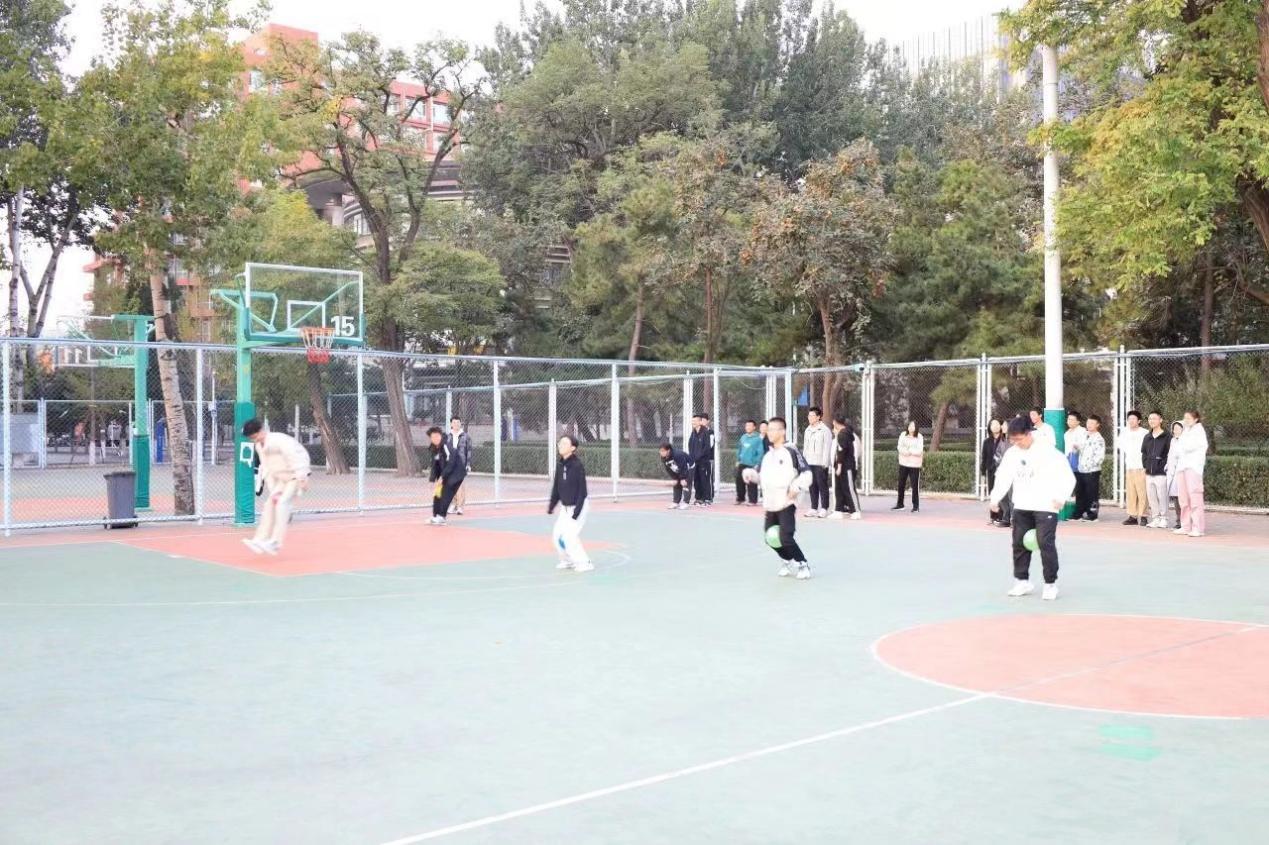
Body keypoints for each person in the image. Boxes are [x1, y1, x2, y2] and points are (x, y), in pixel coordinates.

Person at [989, 415, 1076, 601]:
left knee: (1045, 543)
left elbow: (1067, 476)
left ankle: (1050, 584)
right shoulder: (1012, 454)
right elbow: (1003, 476)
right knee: (1019, 543)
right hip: (1022, 505)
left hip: (1046, 505)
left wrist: (1061, 497)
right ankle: (1022, 581)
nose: (1016, 443)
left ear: (1028, 434)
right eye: (1012, 440)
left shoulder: (1048, 451)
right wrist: (995, 498)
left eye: (1018, 439)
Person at [240, 418, 311, 555]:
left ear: (261, 430)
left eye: (254, 436)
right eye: (251, 438)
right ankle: (259, 540)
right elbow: (267, 468)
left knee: (282, 504)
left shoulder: (279, 440)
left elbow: (297, 456)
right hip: (282, 480)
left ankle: (275, 543)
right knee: (269, 505)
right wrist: (273, 490)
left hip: (295, 477)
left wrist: (302, 477)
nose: (254, 440)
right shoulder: (259, 446)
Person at [756, 417, 814, 580]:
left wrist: (796, 487)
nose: (769, 432)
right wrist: (752, 476)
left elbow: (807, 473)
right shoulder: (768, 455)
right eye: (768, 429)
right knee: (770, 538)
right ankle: (787, 559)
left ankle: (802, 564)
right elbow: (762, 477)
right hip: (771, 504)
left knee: (785, 537)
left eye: (773, 429)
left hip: (787, 502)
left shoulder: (791, 450)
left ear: (782, 431)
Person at [549, 435, 592, 572]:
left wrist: (576, 512)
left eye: (564, 443)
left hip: (579, 506)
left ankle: (585, 563)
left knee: (569, 536)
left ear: (572, 448)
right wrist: (552, 505)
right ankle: (568, 561)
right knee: (557, 535)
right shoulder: (560, 465)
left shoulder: (577, 466)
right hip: (565, 508)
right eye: (560, 443)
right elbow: (556, 488)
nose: (560, 445)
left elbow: (582, 491)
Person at [1174, 410, 1208, 538]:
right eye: (1185, 418)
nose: (1186, 420)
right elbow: (1178, 449)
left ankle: (1198, 528)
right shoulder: (1186, 431)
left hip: (1193, 467)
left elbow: (1188, 447)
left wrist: (1182, 443)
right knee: (1183, 498)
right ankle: (1185, 526)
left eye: (1189, 418)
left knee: (1195, 497)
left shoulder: (1199, 431)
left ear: (1196, 419)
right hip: (1182, 467)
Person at [427, 426, 467, 526]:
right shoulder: (433, 449)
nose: (435, 439)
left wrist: (442, 477)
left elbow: (451, 463)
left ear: (441, 436)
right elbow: (434, 465)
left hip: (456, 473)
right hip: (446, 473)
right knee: (437, 494)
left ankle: (442, 517)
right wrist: (432, 480)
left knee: (446, 494)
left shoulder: (446, 446)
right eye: (432, 437)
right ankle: (435, 516)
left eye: (437, 436)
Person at [830, 416, 863, 520]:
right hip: (840, 466)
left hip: (846, 467)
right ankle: (838, 511)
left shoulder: (843, 434)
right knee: (839, 488)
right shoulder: (843, 434)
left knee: (849, 488)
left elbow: (841, 451)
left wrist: (839, 466)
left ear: (836, 422)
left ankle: (855, 511)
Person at [1119, 410, 1149, 526]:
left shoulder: (1145, 433)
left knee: (1142, 492)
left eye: (1133, 419)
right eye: (1129, 419)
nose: (1131, 421)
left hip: (1141, 466)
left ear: (1139, 421)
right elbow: (1122, 447)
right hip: (1130, 466)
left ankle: (1144, 516)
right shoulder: (1124, 433)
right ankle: (1132, 516)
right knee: (1131, 492)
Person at [802, 407, 833, 518]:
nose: (809, 418)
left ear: (818, 417)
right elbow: (805, 447)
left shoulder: (825, 430)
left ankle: (824, 508)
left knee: (822, 485)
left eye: (812, 416)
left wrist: (825, 463)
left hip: (820, 463)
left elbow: (827, 448)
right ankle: (813, 508)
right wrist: (804, 462)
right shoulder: (807, 430)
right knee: (812, 486)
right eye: (809, 415)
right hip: (809, 462)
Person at [1142, 411, 1171, 529]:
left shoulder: (1167, 436)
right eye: (1150, 419)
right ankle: (1155, 518)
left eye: (1154, 418)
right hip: (1149, 472)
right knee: (1152, 497)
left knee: (1162, 496)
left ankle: (1164, 518)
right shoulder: (1147, 437)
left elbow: (1170, 454)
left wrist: (1163, 466)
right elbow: (1144, 453)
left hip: (1161, 472)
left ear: (1160, 420)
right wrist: (1146, 465)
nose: (1151, 421)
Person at [1074, 414, 1106, 520]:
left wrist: (1090, 465)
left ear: (1098, 425)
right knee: (1080, 492)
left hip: (1092, 471)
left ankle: (1092, 515)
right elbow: (1080, 449)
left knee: (1092, 494)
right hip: (1081, 469)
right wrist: (1076, 447)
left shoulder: (1099, 439)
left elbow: (1100, 457)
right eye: (1088, 423)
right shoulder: (1084, 435)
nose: (1089, 425)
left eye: (1092, 423)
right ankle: (1079, 512)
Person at [981, 418, 1007, 525]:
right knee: (993, 494)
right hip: (991, 472)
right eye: (992, 424)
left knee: (1002, 495)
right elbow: (984, 458)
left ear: (1001, 426)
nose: (995, 426)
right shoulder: (987, 442)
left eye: (997, 424)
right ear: (989, 427)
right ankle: (993, 517)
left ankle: (1002, 517)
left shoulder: (1005, 440)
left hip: (1002, 471)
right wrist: (983, 472)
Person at [893, 420, 924, 513]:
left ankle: (915, 506)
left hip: (914, 465)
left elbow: (919, 451)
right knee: (901, 484)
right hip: (903, 463)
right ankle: (900, 504)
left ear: (916, 428)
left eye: (913, 426)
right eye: (909, 426)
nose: (911, 428)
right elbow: (899, 447)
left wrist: (910, 450)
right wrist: (905, 451)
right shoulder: (903, 435)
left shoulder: (919, 437)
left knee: (914, 486)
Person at [688, 413, 715, 506]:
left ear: (700, 422)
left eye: (695, 421)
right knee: (696, 480)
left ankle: (706, 498)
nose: (693, 423)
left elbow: (707, 447)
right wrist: (692, 457)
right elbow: (690, 445)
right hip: (695, 462)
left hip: (704, 461)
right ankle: (698, 498)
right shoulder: (693, 433)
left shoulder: (705, 432)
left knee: (704, 480)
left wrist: (699, 456)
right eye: (692, 421)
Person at [447, 417, 472, 516]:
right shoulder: (448, 436)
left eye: (458, 422)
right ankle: (453, 504)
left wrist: (468, 464)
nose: (456, 424)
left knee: (460, 485)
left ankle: (460, 506)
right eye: (454, 422)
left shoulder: (466, 436)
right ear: (451, 424)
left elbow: (469, 451)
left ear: (460, 424)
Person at [735, 420, 763, 506]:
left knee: (751, 482)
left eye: (750, 426)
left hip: (751, 464)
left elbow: (760, 452)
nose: (748, 427)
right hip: (742, 463)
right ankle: (740, 498)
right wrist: (738, 460)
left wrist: (756, 462)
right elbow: (739, 449)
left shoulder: (758, 439)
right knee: (739, 480)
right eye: (747, 426)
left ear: (754, 427)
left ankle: (752, 500)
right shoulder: (743, 437)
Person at [659, 443, 694, 510]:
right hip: (678, 468)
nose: (661, 453)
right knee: (676, 483)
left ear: (668, 450)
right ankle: (676, 502)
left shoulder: (677, 455)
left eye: (663, 451)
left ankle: (686, 502)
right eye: (660, 451)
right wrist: (674, 478)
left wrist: (683, 478)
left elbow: (683, 467)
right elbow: (668, 468)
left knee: (685, 483)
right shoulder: (663, 457)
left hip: (689, 467)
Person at [1165, 420, 1184, 531]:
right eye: (1174, 429)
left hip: (1183, 473)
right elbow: (1170, 455)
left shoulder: (1186, 441)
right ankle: (1179, 521)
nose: (1176, 431)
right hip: (1173, 473)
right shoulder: (1173, 441)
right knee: (1176, 498)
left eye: (1178, 428)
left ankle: (1186, 521)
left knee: (1183, 498)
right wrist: (1168, 465)